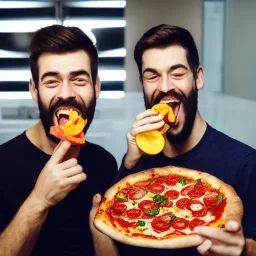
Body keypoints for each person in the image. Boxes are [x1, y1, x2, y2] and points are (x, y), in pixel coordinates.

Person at [113, 24, 256, 255]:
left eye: (177, 74)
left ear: (198, 78)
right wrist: (129, 163)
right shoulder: (134, 164)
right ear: (142, 84)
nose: (165, 86)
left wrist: (245, 250)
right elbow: (113, 236)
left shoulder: (245, 163)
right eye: (152, 76)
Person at [0, 25, 118, 256]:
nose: (66, 93)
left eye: (79, 80)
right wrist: (40, 199)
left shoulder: (105, 163)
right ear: (34, 90)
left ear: (97, 87)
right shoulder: (2, 164)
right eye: (52, 81)